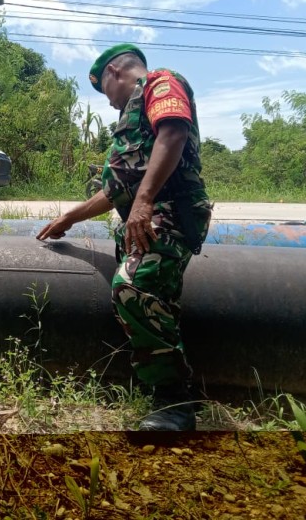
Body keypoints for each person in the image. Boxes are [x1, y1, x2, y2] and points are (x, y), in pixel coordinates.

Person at [36, 44, 212, 431]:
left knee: (135, 285)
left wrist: (145, 201)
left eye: (106, 92)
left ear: (115, 71)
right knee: (150, 293)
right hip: (146, 218)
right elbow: (117, 188)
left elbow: (174, 133)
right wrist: (71, 217)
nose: (111, 104)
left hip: (169, 214)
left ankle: (176, 402)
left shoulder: (160, 83)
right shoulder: (135, 114)